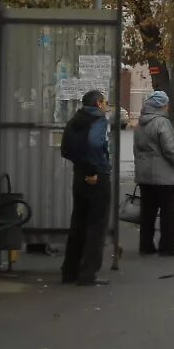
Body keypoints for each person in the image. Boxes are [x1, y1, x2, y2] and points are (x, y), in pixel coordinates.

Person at [60, 89, 111, 286]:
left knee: (78, 223)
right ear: (98, 103)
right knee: (97, 225)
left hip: (79, 175)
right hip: (96, 176)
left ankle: (69, 270)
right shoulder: (99, 119)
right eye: (105, 102)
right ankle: (89, 273)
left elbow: (66, 149)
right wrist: (93, 170)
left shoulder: (75, 120)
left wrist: (82, 166)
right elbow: (94, 144)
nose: (106, 105)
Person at [133, 90, 174, 257]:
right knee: (168, 212)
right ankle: (168, 246)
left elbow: (136, 150)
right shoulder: (162, 123)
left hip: (145, 175)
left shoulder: (140, 123)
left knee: (147, 212)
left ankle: (146, 245)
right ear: (162, 105)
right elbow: (170, 149)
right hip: (164, 176)